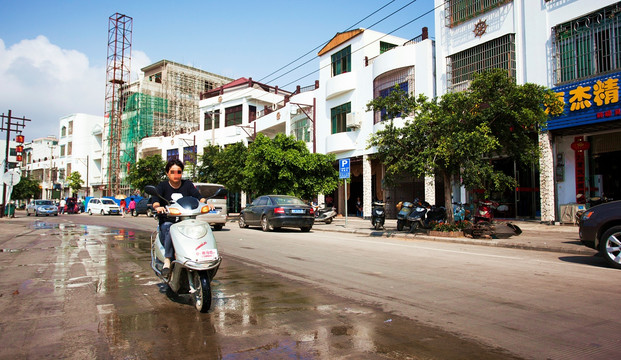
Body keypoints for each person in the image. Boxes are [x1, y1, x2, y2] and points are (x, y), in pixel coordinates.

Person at [151, 159, 210, 277]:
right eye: (172, 172)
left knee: (200, 228)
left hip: (186, 221)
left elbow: (198, 196)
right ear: (167, 173)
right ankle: (168, 260)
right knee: (169, 227)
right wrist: (158, 207)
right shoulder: (162, 186)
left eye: (179, 171)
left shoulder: (187, 184)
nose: (176, 175)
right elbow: (155, 200)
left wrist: (206, 203)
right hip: (168, 220)